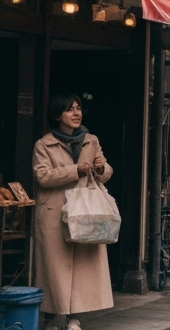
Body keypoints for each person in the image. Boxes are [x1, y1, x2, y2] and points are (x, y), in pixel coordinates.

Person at [33, 93, 114, 329]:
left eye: (78, 108)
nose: (76, 113)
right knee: (53, 267)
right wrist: (75, 170)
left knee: (79, 265)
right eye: (70, 110)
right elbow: (42, 177)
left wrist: (101, 169)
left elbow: (105, 172)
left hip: (84, 211)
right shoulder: (43, 144)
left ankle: (73, 317)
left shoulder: (91, 140)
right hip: (53, 212)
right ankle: (49, 315)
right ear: (58, 115)